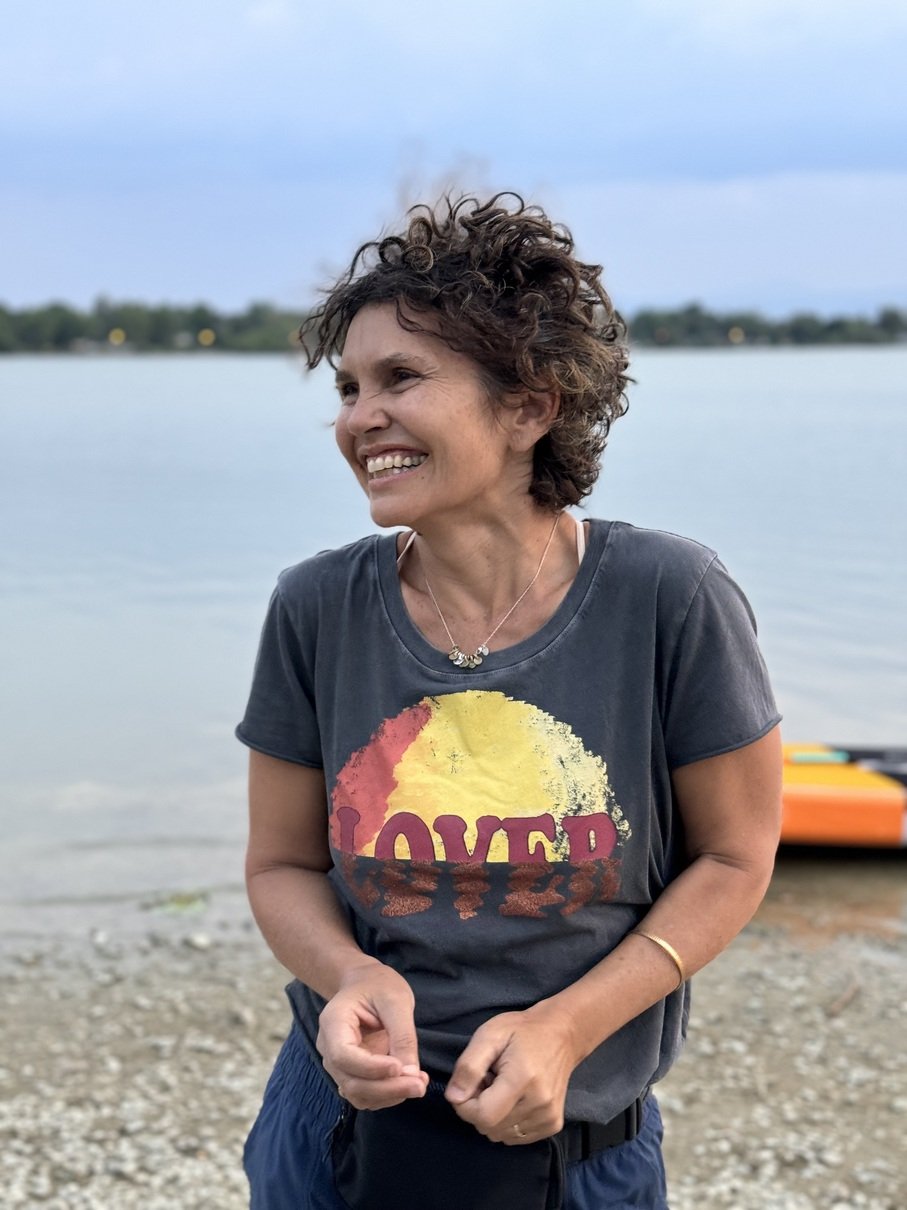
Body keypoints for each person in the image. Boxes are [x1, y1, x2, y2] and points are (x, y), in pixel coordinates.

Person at [236, 193, 782, 1209]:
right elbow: (279, 863)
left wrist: (568, 1027)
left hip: (578, 1152)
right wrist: (350, 977)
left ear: (529, 404)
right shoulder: (315, 606)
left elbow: (735, 855)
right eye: (349, 386)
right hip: (333, 1140)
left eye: (402, 378)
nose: (359, 417)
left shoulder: (669, 597)